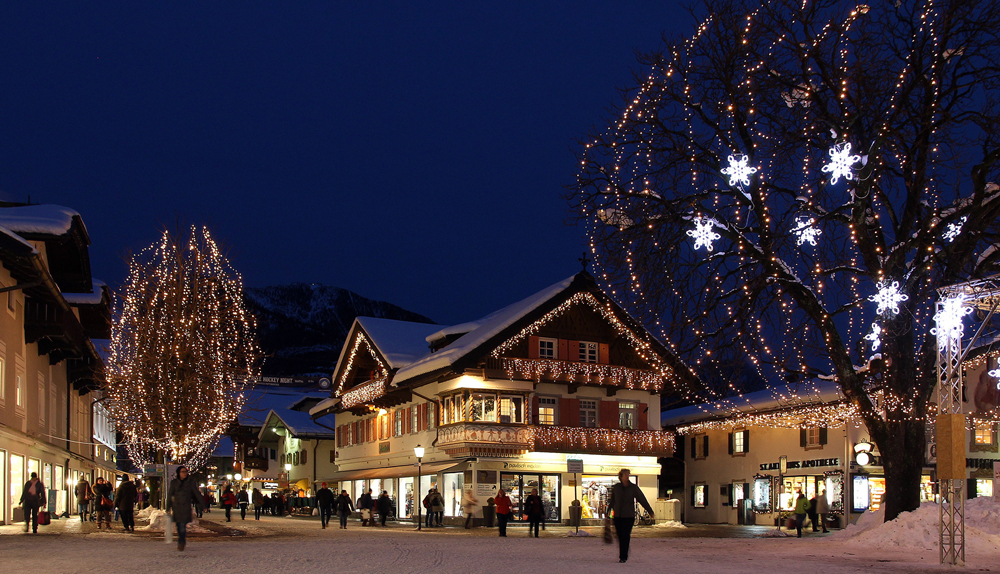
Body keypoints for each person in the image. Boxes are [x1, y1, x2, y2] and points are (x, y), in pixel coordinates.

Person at [607, 468, 654, 563]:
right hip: (618, 516)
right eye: (625, 474)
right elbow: (612, 500)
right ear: (620, 476)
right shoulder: (616, 487)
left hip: (628, 515)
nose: (627, 476)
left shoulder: (633, 488)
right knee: (620, 536)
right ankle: (624, 549)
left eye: (628, 474)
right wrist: (608, 510)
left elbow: (642, 499)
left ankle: (623, 556)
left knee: (625, 535)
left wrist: (650, 511)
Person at [167, 466, 204, 551]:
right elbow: (170, 495)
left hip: (185, 507)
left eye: (186, 471)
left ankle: (181, 542)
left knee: (182, 525)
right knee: (179, 525)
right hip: (177, 507)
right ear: (178, 473)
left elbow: (196, 494)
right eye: (182, 472)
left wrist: (203, 505)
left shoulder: (191, 482)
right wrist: (168, 507)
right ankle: (181, 540)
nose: (184, 473)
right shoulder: (174, 483)